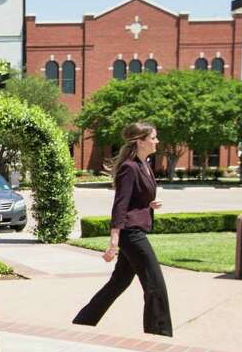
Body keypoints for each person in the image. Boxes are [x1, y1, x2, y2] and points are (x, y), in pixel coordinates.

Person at [73, 122, 173, 337]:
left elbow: (136, 200)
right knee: (155, 284)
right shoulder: (129, 167)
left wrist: (149, 204)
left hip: (136, 229)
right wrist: (114, 241)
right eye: (153, 138)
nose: (157, 142)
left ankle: (83, 320)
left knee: (118, 282)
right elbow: (120, 205)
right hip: (131, 234)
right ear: (140, 141)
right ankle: (159, 333)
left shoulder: (144, 164)